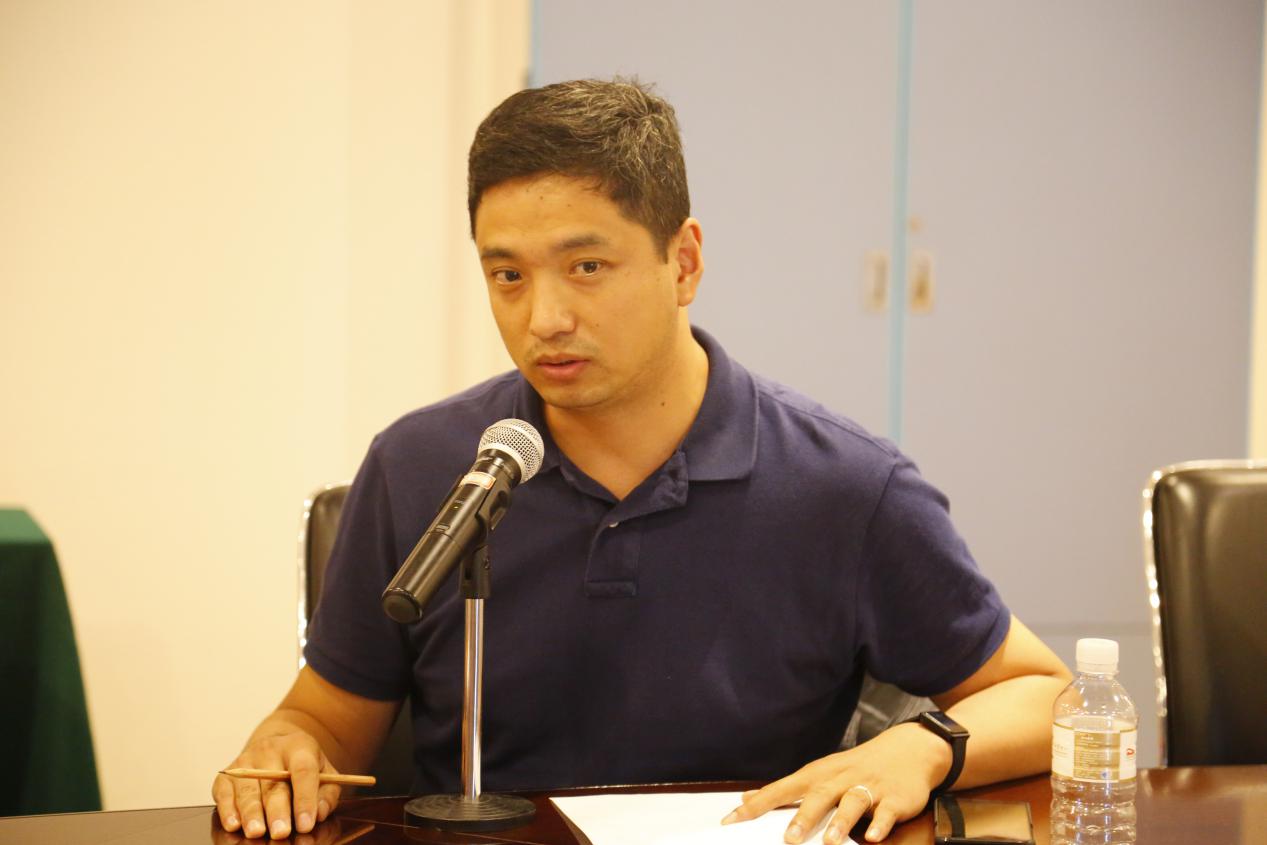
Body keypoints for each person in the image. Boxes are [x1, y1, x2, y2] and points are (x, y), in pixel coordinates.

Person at [212, 79, 1071, 844]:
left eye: (586, 266)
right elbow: (324, 720)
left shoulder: (845, 485)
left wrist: (923, 746)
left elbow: (1047, 696)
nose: (544, 317)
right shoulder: (421, 464)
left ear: (683, 262)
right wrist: (289, 749)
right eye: (506, 276)